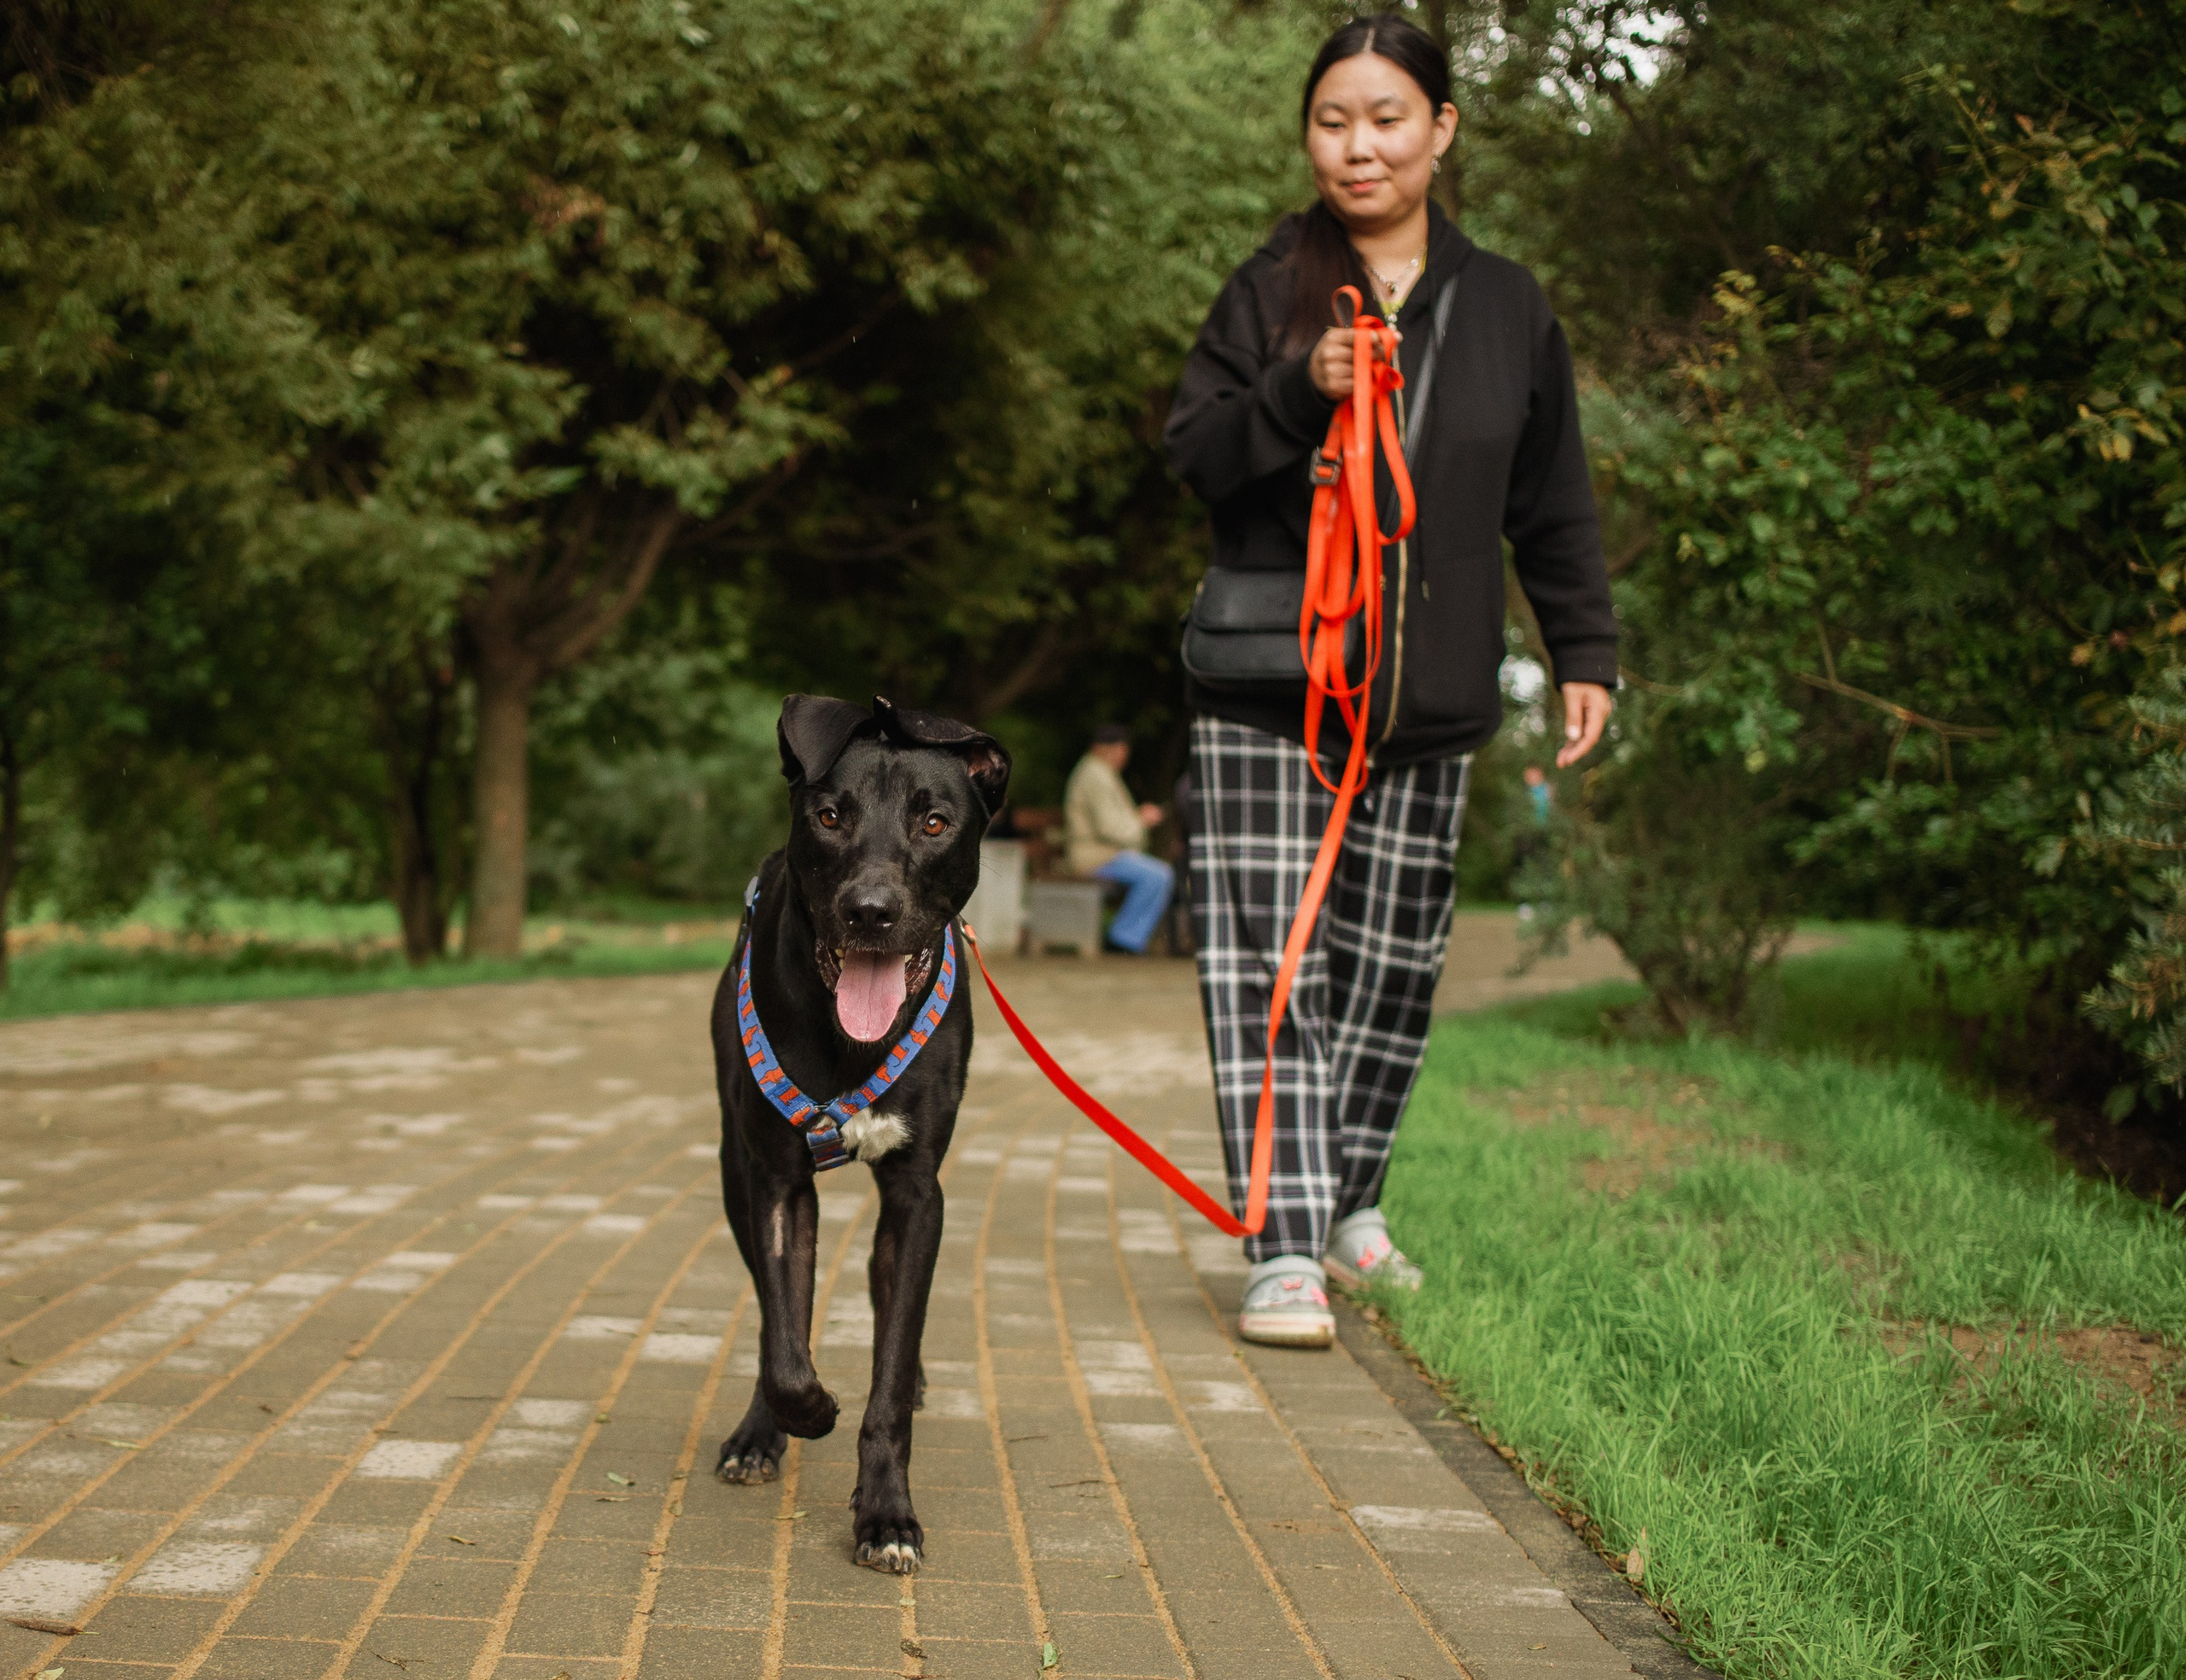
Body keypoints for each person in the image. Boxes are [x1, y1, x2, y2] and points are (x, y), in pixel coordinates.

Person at [1164, 13, 1616, 1346]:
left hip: (1429, 695)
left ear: (1441, 131)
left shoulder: (1510, 307)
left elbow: (1554, 505)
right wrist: (1302, 389)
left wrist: (1582, 649)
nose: (1357, 147)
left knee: (1393, 964)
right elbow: (1194, 455)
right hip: (1271, 690)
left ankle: (1352, 1195)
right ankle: (1286, 1241)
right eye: (1331, 121)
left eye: (1385, 118)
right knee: (1268, 967)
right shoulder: (1266, 287)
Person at [1062, 725, 1175, 954]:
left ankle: (1125, 938)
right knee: (1159, 875)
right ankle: (1122, 941)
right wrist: (1142, 820)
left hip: (1103, 853)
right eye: (1122, 748)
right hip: (1095, 857)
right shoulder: (1096, 775)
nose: (1125, 754)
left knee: (1157, 873)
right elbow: (1109, 828)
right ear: (1109, 749)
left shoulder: (1098, 772)